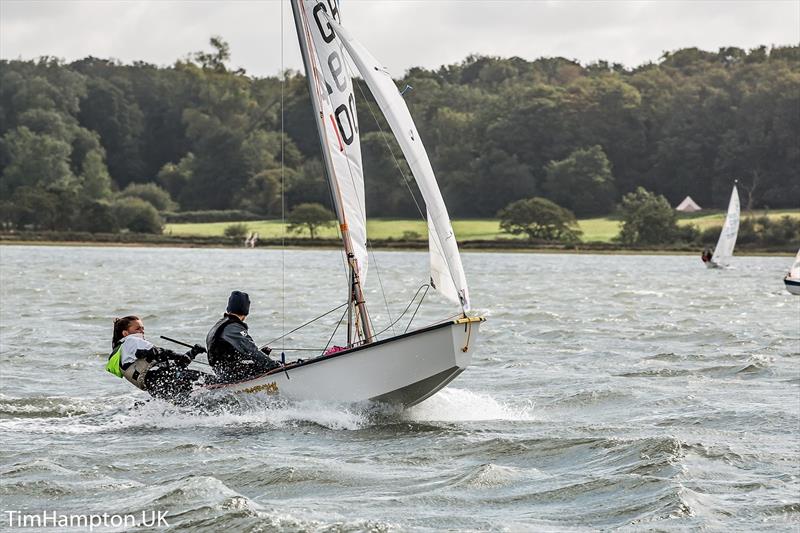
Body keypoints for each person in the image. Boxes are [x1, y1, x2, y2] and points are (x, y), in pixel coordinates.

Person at [106, 315, 208, 403]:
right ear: (125, 333)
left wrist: (192, 353)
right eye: (137, 329)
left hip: (156, 387)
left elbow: (175, 365)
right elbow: (161, 353)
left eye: (143, 328)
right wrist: (178, 355)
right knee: (211, 380)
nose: (142, 331)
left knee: (183, 402)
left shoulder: (125, 352)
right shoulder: (131, 340)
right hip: (162, 379)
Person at [205, 291, 279, 382]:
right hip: (231, 374)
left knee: (262, 362)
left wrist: (262, 355)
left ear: (229, 308)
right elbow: (251, 350)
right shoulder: (234, 328)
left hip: (223, 372)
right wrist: (275, 365)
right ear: (245, 310)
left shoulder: (219, 325)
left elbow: (241, 350)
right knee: (272, 365)